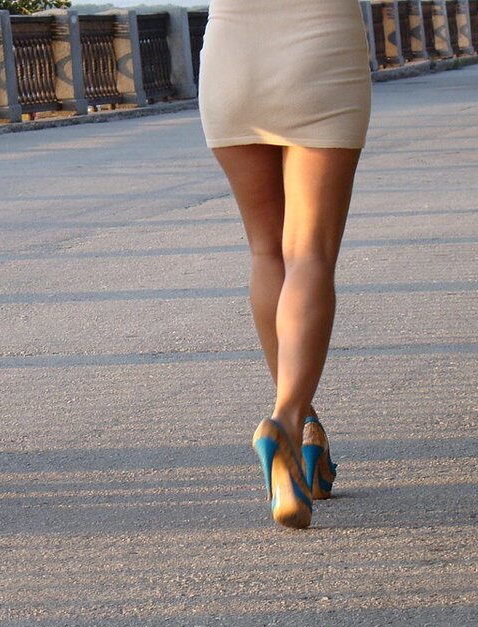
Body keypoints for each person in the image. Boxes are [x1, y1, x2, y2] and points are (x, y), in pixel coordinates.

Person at [197, 0, 371, 529]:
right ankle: (288, 420)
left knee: (266, 251)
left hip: (231, 60)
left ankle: (305, 431)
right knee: (308, 253)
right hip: (320, 53)